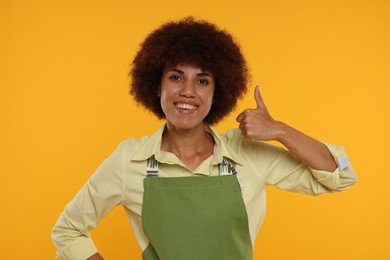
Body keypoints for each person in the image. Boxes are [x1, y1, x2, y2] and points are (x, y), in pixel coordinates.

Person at [51, 17, 357, 260]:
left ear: (216, 92)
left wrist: (280, 130)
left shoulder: (245, 153)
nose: (187, 91)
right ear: (157, 87)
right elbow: (68, 231)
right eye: (175, 77)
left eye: (202, 80)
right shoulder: (130, 160)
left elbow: (340, 174)